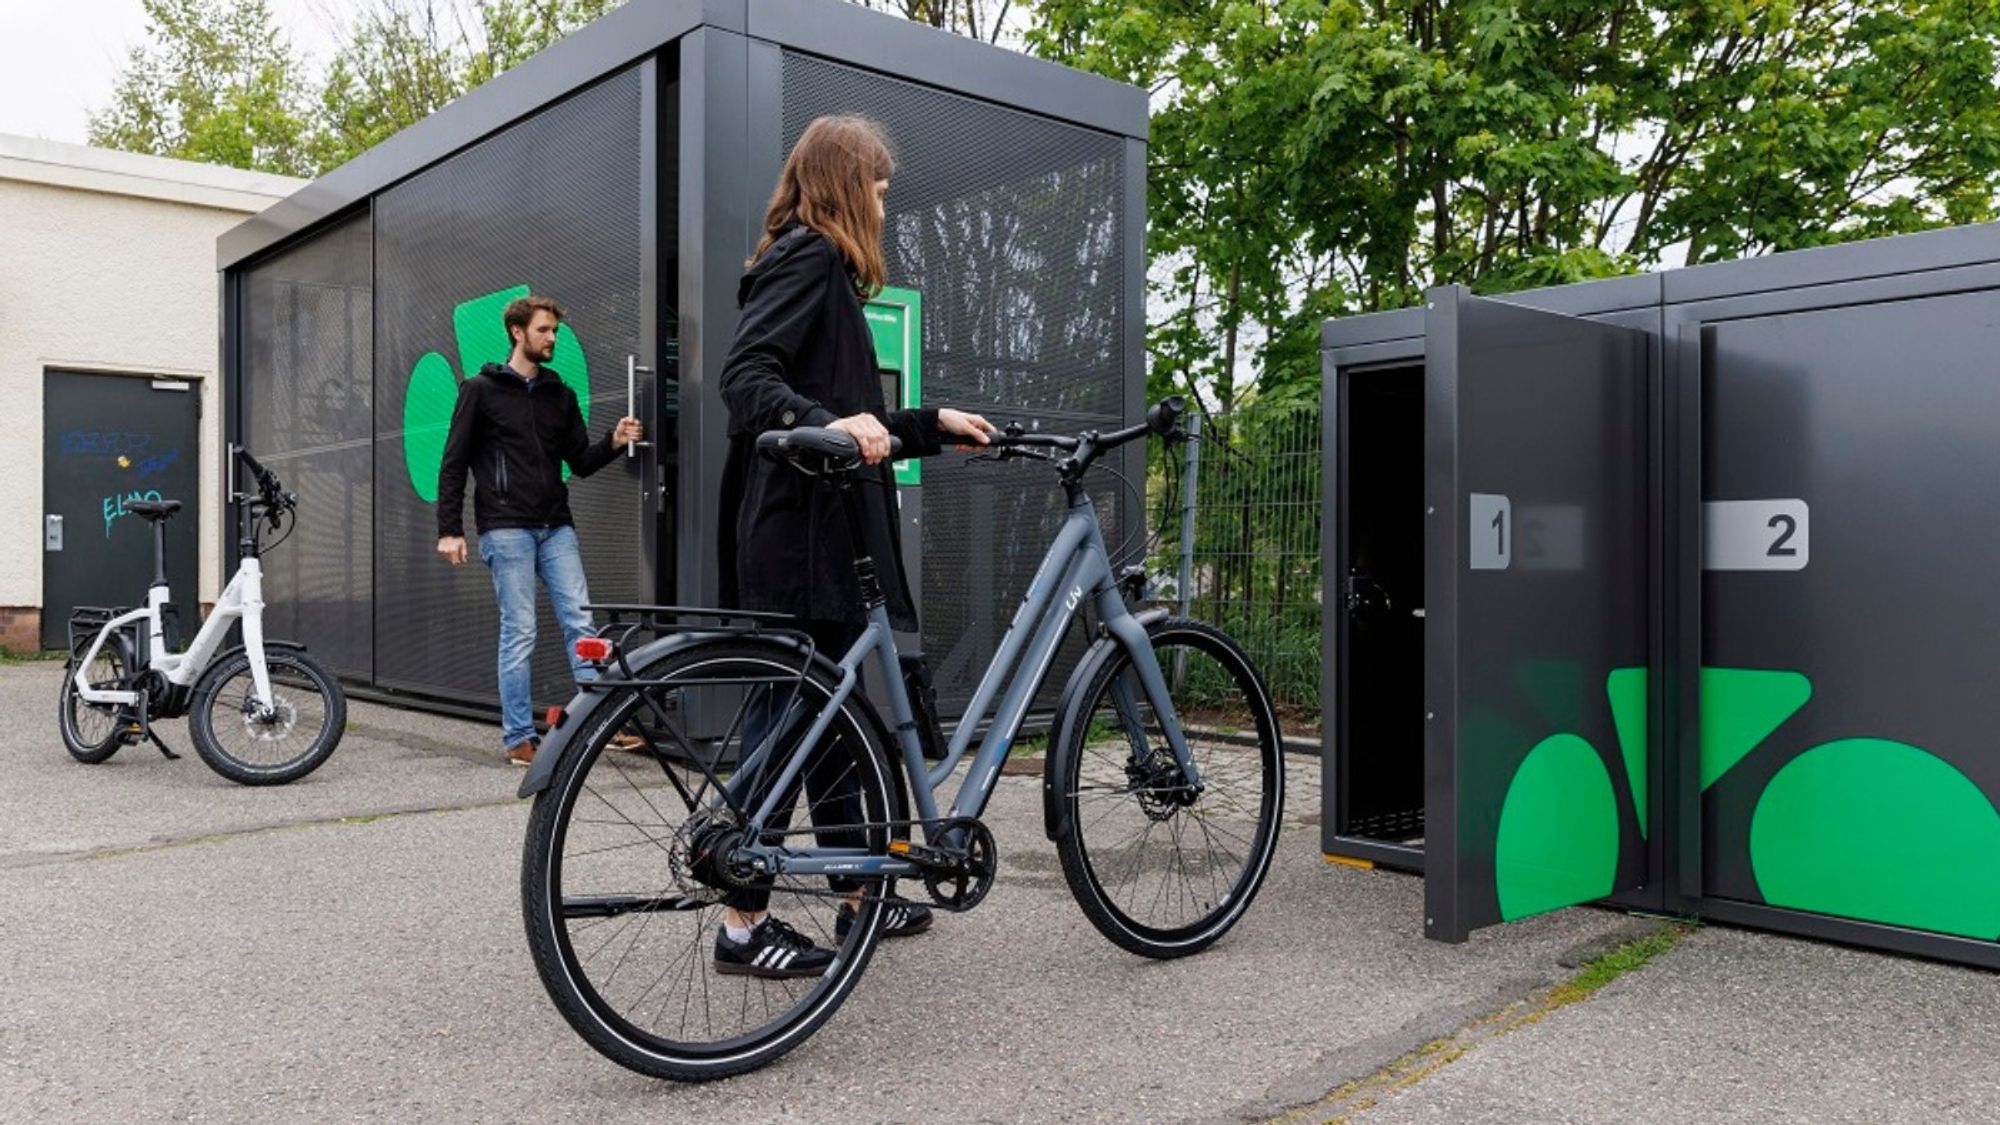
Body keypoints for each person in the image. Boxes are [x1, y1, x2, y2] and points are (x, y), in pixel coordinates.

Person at [712, 115, 994, 978]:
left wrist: (930, 423)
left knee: (830, 725)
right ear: (843, 183)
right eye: (876, 186)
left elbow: (850, 416)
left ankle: (858, 893)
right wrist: (822, 420)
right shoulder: (807, 258)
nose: (882, 202)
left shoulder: (820, 271)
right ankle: (741, 920)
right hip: (802, 541)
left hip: (816, 536)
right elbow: (746, 380)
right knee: (792, 717)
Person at [435, 295, 644, 766]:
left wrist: (613, 441)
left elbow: (582, 463)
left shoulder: (560, 395)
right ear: (518, 332)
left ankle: (600, 720)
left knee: (580, 622)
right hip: (506, 528)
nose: (552, 338)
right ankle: (518, 738)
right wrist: (450, 528)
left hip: (556, 527)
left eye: (555, 331)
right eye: (545, 330)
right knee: (521, 629)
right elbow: (454, 464)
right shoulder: (479, 390)